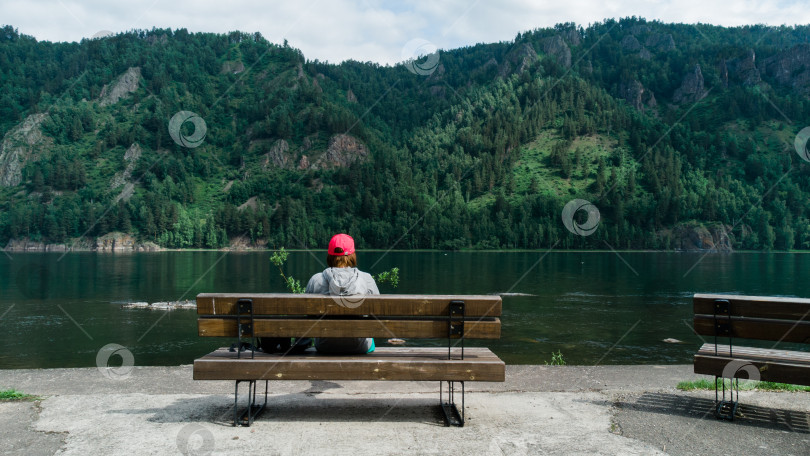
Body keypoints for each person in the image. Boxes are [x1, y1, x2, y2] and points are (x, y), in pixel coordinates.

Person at [305, 233, 378, 354]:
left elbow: (308, 317)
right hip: (360, 346)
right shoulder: (367, 279)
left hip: (325, 346)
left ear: (330, 256)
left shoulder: (316, 280)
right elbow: (376, 315)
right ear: (352, 255)